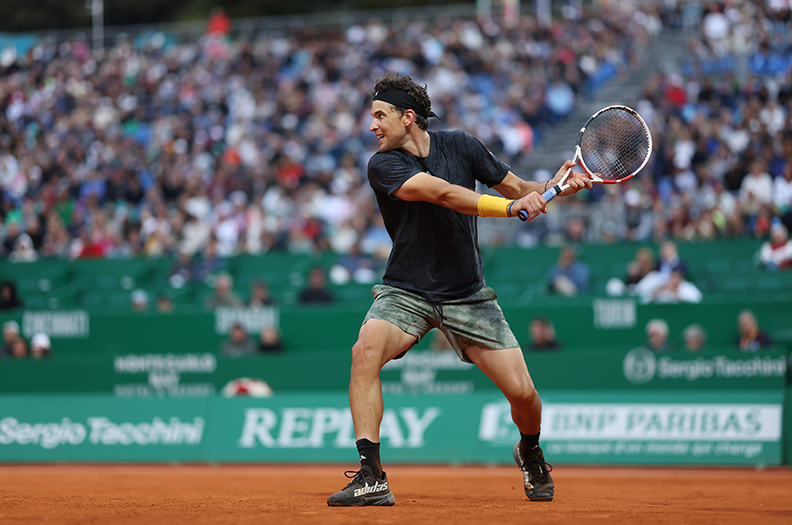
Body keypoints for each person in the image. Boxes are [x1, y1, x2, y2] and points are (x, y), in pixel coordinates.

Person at [326, 73, 592, 507]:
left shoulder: (462, 145)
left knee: (524, 396)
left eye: (380, 115)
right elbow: (444, 194)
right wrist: (511, 208)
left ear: (408, 117)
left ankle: (529, 449)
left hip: (467, 293)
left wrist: (553, 186)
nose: (372, 125)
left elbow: (518, 189)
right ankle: (371, 475)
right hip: (406, 290)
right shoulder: (382, 164)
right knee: (365, 350)